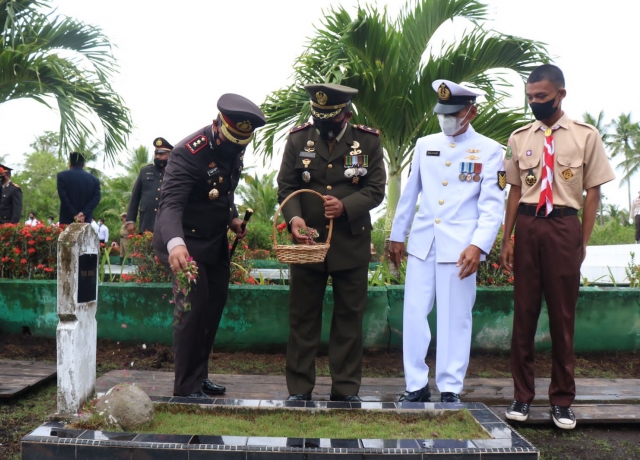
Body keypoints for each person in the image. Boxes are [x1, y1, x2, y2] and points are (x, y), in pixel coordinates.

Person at [500, 64, 615, 430]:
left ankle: (563, 400)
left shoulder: (585, 136)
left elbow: (593, 191)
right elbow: (515, 190)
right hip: (529, 225)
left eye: (542, 98)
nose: (535, 103)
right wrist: (507, 238)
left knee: (563, 318)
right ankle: (522, 397)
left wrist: (582, 239)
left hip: (565, 225)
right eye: (530, 98)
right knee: (524, 315)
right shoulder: (519, 138)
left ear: (560, 95)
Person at [389, 80, 505, 404]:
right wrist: (398, 235)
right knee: (413, 313)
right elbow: (410, 194)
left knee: (455, 318)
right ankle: (415, 384)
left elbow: (492, 205)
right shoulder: (425, 144)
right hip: (424, 243)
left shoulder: (491, 150)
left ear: (472, 111)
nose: (447, 119)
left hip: (461, 249)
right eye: (443, 113)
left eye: (454, 113)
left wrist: (479, 245)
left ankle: (450, 387)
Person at [277, 83, 386, 402]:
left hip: (350, 245)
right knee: (302, 318)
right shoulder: (299, 138)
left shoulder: (368, 140)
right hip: (307, 242)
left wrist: (345, 206)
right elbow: (286, 186)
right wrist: (293, 218)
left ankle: (345, 390)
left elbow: (376, 188)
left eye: (330, 119)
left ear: (347, 115)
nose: (323, 126)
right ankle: (299, 390)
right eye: (318, 117)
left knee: (348, 320)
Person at [153, 94, 266, 398]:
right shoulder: (188, 153)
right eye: (232, 140)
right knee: (192, 311)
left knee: (212, 308)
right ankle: (185, 387)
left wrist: (232, 221)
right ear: (218, 126)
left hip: (214, 243)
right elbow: (171, 205)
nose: (236, 147)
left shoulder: (232, 148)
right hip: (184, 244)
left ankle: (199, 377)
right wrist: (176, 244)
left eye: (242, 142)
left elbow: (220, 192)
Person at [126, 137, 173, 234]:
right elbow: (135, 196)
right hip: (147, 221)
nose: (158, 157)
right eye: (156, 154)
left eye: (162, 154)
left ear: (170, 155)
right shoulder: (145, 171)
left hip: (168, 221)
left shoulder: (175, 172)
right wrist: (130, 220)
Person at [56, 152, 101, 225]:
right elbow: (96, 198)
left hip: (67, 221)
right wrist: (83, 213)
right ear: (83, 165)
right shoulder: (94, 179)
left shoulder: (61, 176)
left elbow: (63, 197)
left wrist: (74, 215)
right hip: (85, 221)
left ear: (70, 164)